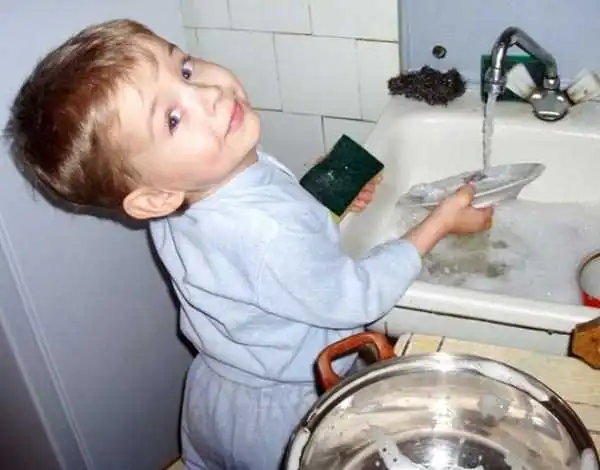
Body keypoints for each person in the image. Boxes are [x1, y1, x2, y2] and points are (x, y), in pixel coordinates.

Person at [4, 19, 493, 470]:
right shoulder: (267, 231)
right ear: (154, 197)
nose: (209, 95)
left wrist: (325, 197)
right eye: (172, 118)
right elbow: (356, 295)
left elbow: (248, 251)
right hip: (284, 414)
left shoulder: (191, 193)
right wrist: (439, 223)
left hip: (213, 397)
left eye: (185, 69)